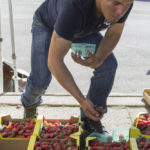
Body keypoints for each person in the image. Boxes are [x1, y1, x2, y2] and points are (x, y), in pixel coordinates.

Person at [21, 0, 133, 133]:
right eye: (116, 3)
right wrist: (82, 100)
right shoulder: (74, 6)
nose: (120, 11)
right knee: (40, 80)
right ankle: (30, 104)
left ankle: (91, 118)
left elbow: (114, 34)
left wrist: (99, 59)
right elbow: (54, 61)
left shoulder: (125, 3)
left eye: (126, 5)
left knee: (108, 65)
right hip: (47, 25)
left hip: (80, 29)